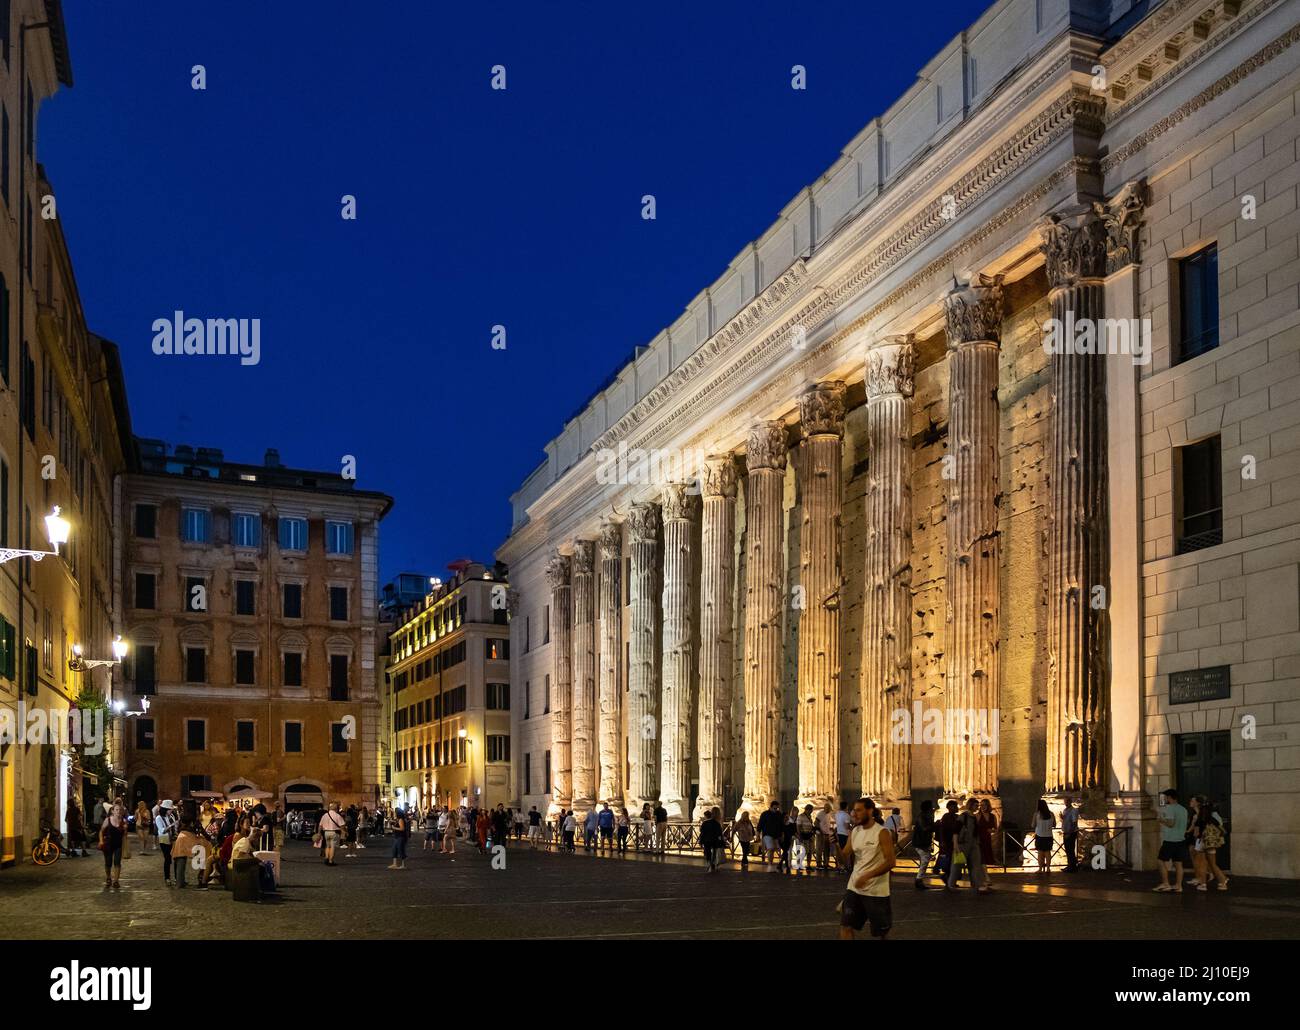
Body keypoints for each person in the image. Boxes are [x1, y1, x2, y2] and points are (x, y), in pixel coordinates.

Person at [837, 798, 896, 940]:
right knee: (845, 927)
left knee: (881, 933)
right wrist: (836, 846)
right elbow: (844, 858)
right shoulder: (855, 831)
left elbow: (890, 862)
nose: (854, 814)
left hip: (876, 892)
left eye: (859, 810)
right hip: (854, 888)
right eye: (853, 811)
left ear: (870, 811)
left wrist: (867, 876)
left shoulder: (882, 833)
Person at [949, 798, 990, 893]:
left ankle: (977, 884)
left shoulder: (974, 817)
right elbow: (956, 831)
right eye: (976, 805)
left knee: (975, 864)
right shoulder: (964, 816)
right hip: (963, 844)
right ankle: (951, 884)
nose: (978, 807)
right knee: (957, 865)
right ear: (971, 805)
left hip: (973, 843)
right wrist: (955, 845)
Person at [1190, 796, 1229, 892]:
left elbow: (1196, 833)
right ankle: (1222, 881)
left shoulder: (1199, 819)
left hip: (1201, 843)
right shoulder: (1213, 819)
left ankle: (1203, 884)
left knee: (1201, 864)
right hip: (1211, 844)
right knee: (1213, 864)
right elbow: (1223, 831)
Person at [1154, 788, 1190, 892]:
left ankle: (1166, 883)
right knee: (1178, 864)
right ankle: (1178, 885)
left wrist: (1161, 820)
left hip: (1170, 839)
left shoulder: (1169, 808)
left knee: (1160, 861)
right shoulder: (1183, 809)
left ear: (1169, 797)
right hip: (1181, 839)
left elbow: (1171, 823)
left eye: (1165, 797)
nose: (1165, 799)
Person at [99, 803, 127, 890]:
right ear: (113, 811)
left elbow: (125, 835)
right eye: (117, 810)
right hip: (108, 844)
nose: (118, 812)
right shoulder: (108, 820)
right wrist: (101, 841)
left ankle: (116, 881)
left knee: (117, 862)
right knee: (108, 863)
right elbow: (101, 831)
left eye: (120, 810)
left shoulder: (123, 821)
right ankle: (108, 878)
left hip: (118, 844)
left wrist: (125, 829)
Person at [911, 800, 935, 888]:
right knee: (925, 860)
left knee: (925, 859)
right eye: (931, 807)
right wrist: (934, 825)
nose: (933, 809)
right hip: (920, 842)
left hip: (924, 842)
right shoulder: (922, 816)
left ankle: (920, 879)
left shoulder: (927, 816)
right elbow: (924, 828)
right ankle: (919, 879)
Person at [156, 800, 178, 886]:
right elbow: (162, 830)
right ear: (165, 809)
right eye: (170, 809)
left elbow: (175, 828)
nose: (171, 811)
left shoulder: (171, 816)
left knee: (176, 858)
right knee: (168, 859)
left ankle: (176, 878)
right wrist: (171, 825)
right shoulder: (159, 818)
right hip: (164, 840)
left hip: (172, 839)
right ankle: (167, 878)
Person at [936, 800, 959, 879]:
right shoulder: (946, 816)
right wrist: (942, 841)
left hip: (953, 841)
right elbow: (942, 829)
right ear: (949, 808)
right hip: (947, 841)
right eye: (955, 806)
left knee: (952, 861)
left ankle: (950, 878)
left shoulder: (957, 817)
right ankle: (947, 877)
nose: (957, 808)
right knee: (948, 860)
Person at [976, 798, 997, 886]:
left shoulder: (992, 816)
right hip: (979, 839)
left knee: (984, 858)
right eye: (981, 805)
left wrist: (991, 831)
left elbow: (995, 828)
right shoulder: (977, 816)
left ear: (988, 806)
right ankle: (986, 877)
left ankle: (981, 877)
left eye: (984, 805)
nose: (982, 807)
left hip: (987, 839)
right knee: (982, 858)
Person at [1031, 799, 1055, 873]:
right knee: (1048, 852)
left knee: (1040, 853)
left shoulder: (1037, 814)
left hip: (1040, 835)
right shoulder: (1051, 814)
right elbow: (1054, 824)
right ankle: (1048, 868)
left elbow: (1032, 825)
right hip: (1049, 835)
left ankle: (1040, 869)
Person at [756, 801, 782, 865]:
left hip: (776, 835)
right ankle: (770, 864)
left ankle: (771, 863)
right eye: (775, 808)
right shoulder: (765, 814)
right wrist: (758, 835)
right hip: (767, 834)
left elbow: (781, 824)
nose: (776, 810)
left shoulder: (779, 814)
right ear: (771, 807)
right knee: (770, 848)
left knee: (773, 850)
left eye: (777, 808)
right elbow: (760, 825)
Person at [700, 807, 724, 873]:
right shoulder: (717, 823)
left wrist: (701, 841)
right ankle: (713, 865)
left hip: (706, 840)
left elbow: (702, 832)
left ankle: (709, 865)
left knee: (708, 853)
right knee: (714, 853)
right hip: (714, 840)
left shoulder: (705, 823)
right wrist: (722, 841)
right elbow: (719, 833)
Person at [1060, 796, 1079, 872]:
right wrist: (1062, 818)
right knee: (1068, 850)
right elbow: (1066, 821)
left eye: (1067, 801)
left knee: (1070, 849)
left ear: (1070, 802)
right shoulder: (1065, 810)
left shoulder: (1074, 810)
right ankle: (1070, 865)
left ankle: (1072, 866)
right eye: (1064, 801)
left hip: (1071, 832)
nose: (1065, 803)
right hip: (1066, 831)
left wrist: (1070, 832)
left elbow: (1074, 823)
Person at [834, 801, 853, 871]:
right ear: (846, 807)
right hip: (845, 834)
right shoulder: (846, 815)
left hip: (839, 833)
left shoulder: (837, 814)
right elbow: (847, 826)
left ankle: (840, 866)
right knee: (846, 852)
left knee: (841, 851)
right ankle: (846, 866)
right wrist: (853, 828)